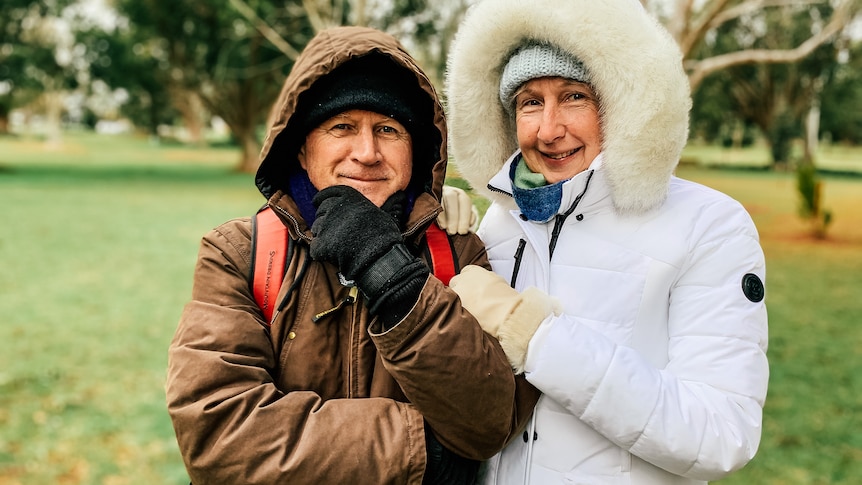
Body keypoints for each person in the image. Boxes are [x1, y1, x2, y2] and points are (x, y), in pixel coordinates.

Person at [165, 26, 539, 484]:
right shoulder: (240, 253)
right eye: (341, 127)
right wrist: (425, 452)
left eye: (388, 130)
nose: (366, 152)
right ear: (302, 148)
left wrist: (390, 274)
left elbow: (488, 421)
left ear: (414, 152)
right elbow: (217, 437)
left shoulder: (457, 252)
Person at [444, 0, 770, 483]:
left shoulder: (710, 225)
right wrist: (424, 217)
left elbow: (722, 433)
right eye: (530, 102)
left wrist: (536, 337)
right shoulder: (501, 221)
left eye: (574, 96)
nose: (550, 130)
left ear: (621, 103)